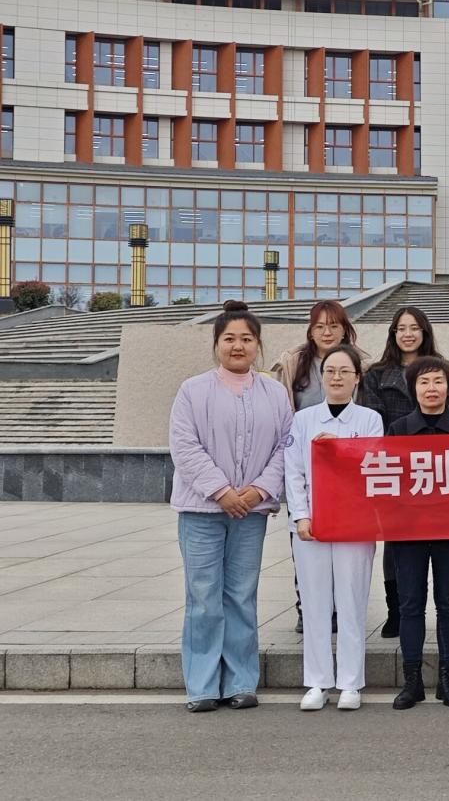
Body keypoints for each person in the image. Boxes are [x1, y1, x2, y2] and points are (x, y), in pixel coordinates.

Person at [170, 300, 292, 713]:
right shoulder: (193, 390)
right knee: (204, 597)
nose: (238, 346)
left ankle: (241, 681)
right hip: (202, 511)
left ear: (258, 345)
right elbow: (184, 446)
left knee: (241, 595)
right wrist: (221, 490)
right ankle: (202, 685)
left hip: (251, 512)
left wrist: (259, 490)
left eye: (246, 339)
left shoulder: (275, 393)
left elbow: (286, 445)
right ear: (216, 344)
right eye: (229, 339)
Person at [283, 344, 382, 711]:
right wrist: (300, 516)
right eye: (330, 371)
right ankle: (318, 681)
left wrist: (339, 447)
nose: (337, 378)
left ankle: (351, 683)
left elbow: (374, 463)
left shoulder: (370, 419)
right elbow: (293, 472)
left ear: (357, 378)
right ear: (321, 377)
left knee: (352, 601)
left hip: (354, 523)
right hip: (312, 524)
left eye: (344, 372)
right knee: (315, 603)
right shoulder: (303, 420)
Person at [270, 300, 368, 635]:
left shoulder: (359, 363)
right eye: (320, 326)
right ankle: (307, 606)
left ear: (345, 330)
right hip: (305, 466)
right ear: (310, 331)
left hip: (346, 473)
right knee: (305, 537)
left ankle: (341, 608)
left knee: (345, 546)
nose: (327, 332)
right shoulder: (294, 363)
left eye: (334, 326)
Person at [387, 355, 449, 710]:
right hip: (407, 532)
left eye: (438, 381)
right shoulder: (398, 430)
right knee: (410, 604)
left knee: (448, 604)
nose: (431, 388)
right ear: (414, 388)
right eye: (423, 382)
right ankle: (412, 682)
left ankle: (447, 681)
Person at [361, 305, 438, 639]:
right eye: (401, 328)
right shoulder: (377, 374)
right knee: (395, 542)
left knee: (438, 539)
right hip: (393, 467)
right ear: (393, 334)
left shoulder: (439, 367)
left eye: (414, 328)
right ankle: (396, 610)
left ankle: (436, 606)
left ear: (424, 332)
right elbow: (373, 421)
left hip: (433, 467)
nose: (408, 334)